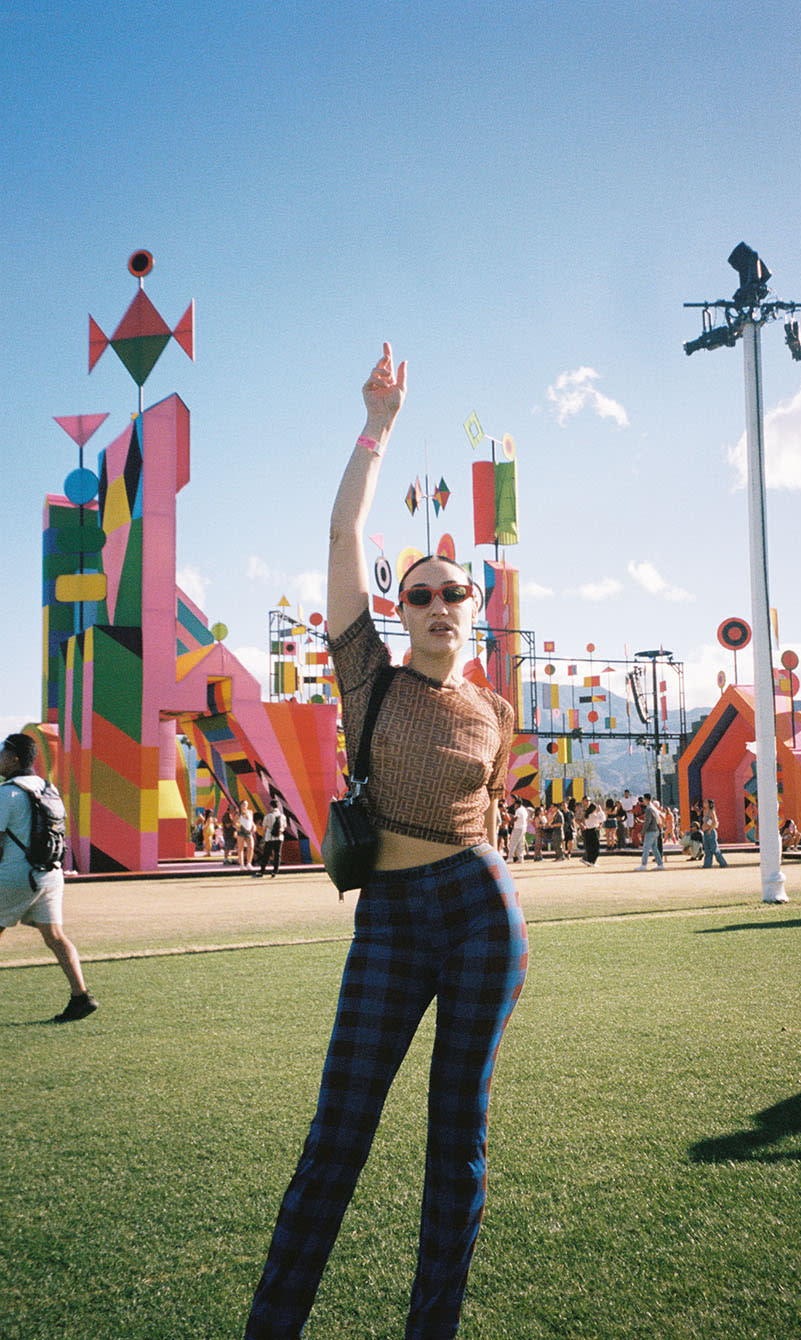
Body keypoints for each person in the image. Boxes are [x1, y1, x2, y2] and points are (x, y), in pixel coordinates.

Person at [243, 344, 528, 1340]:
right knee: (339, 1136)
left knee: (458, 1139)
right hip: (393, 918)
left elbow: (488, 814)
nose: (440, 603)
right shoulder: (367, 673)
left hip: (485, 916)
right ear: (398, 613)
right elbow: (343, 528)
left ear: (475, 609)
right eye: (421, 594)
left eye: (454, 591)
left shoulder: (493, 708)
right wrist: (378, 425)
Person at [0, 733, 98, 1023]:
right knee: (55, 936)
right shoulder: (48, 788)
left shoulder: (7, 793)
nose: (0, 759)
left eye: (3, 754)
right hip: (51, 874)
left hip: (16, 875)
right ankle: (81, 996)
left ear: (15, 758)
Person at [256, 799, 286, 877]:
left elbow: (264, 828)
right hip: (279, 837)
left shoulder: (268, 816)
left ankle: (262, 871)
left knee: (266, 854)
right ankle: (275, 871)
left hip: (269, 837)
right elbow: (284, 827)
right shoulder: (282, 816)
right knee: (277, 854)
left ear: (271, 806)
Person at [636, 794, 664, 870]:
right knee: (654, 848)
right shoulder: (653, 808)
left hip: (650, 831)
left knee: (646, 848)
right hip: (655, 830)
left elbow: (647, 822)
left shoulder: (648, 809)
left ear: (646, 799)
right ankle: (660, 864)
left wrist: (642, 832)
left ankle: (643, 865)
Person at [702, 798, 728, 868]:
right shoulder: (705, 811)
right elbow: (709, 821)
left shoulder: (711, 811)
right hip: (705, 832)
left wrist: (710, 829)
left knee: (714, 849)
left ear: (709, 804)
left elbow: (715, 821)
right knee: (707, 849)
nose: (704, 803)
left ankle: (723, 863)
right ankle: (707, 864)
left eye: (705, 802)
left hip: (710, 832)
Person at [236, 799, 256, 870]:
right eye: (243, 804)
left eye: (246, 804)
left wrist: (253, 826)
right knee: (241, 848)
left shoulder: (250, 812)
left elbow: (251, 821)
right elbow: (235, 822)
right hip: (241, 831)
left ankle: (249, 863)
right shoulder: (238, 813)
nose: (245, 806)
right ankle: (241, 864)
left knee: (251, 847)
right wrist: (238, 827)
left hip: (248, 831)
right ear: (241, 805)